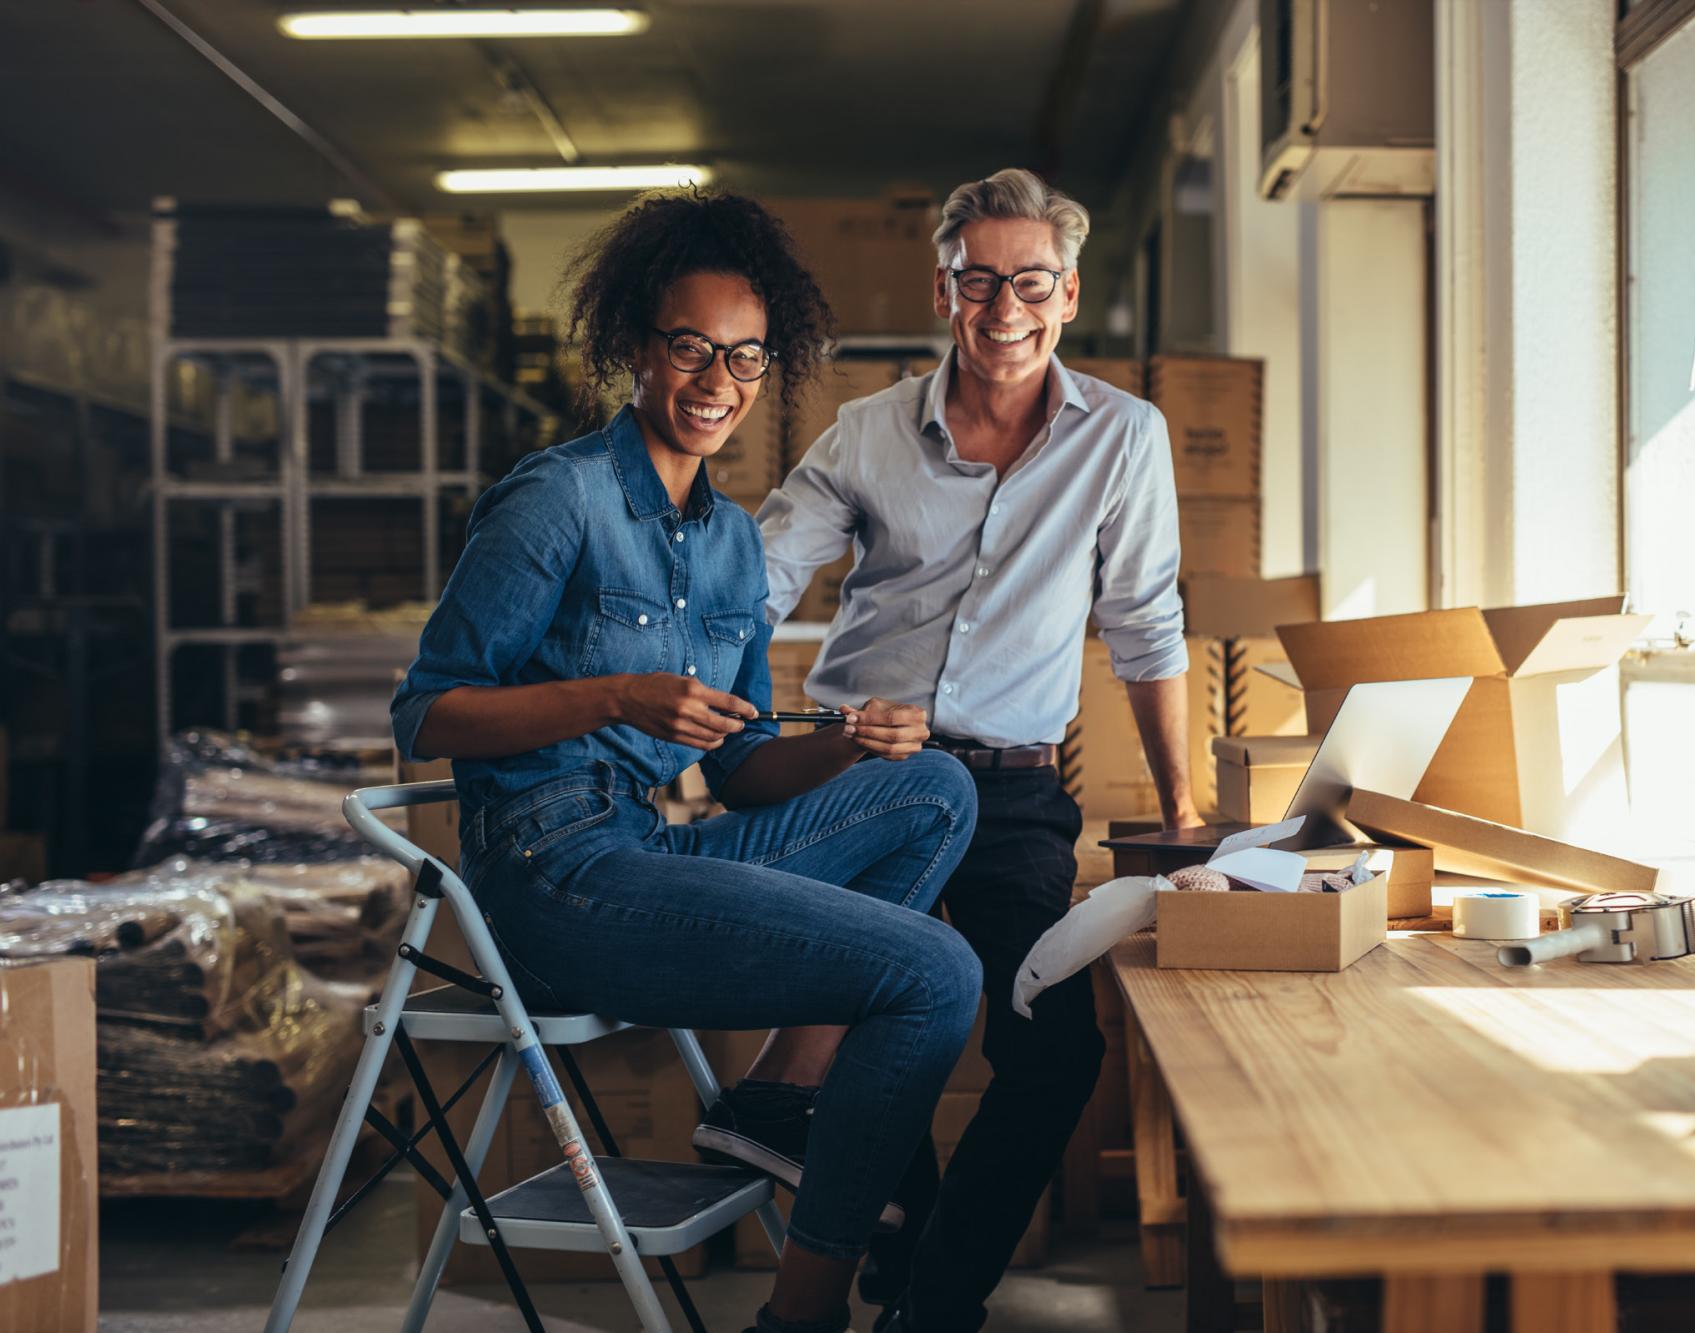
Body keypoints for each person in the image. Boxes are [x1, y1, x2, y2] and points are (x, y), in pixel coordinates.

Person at [389, 189, 983, 1333]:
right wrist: (613, 697)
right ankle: (800, 1315)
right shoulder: (556, 498)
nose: (718, 380)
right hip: (551, 871)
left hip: (653, 842)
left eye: (747, 357)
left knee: (931, 785)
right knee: (934, 974)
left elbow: (746, 763)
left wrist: (839, 743)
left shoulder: (726, 543)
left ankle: (771, 1098)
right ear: (632, 348)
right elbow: (429, 713)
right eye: (691, 348)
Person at [743, 167, 1199, 1332]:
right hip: (871, 782)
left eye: (1029, 281)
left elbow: (1144, 621)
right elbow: (757, 578)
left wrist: (1184, 810)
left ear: (1068, 290)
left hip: (1010, 791)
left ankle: (935, 1298)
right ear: (942, 287)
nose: (1003, 310)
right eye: (977, 280)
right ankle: (898, 1240)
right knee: (877, 1025)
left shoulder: (1122, 438)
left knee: (1047, 1057)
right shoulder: (866, 433)